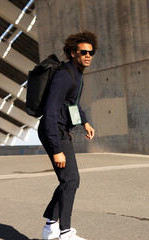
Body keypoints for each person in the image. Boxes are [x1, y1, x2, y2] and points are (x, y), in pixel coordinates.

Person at [39, 31, 97, 240]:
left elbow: (74, 103)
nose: (88, 55)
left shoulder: (77, 74)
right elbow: (51, 112)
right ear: (73, 53)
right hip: (54, 131)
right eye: (83, 52)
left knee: (67, 180)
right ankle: (65, 232)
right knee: (71, 179)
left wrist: (85, 122)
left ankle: (50, 227)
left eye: (91, 52)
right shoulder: (65, 75)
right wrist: (56, 150)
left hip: (62, 130)